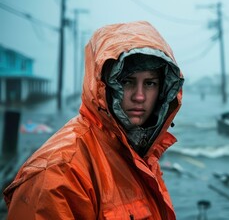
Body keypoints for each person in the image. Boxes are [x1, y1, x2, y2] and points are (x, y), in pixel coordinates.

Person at [3, 21, 184, 219]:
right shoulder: (58, 174)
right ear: (102, 85)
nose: (139, 96)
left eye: (149, 83)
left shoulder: (141, 152)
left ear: (163, 90)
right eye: (126, 82)